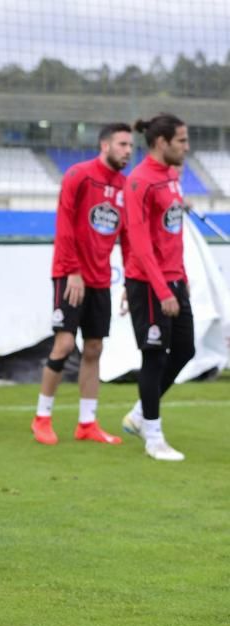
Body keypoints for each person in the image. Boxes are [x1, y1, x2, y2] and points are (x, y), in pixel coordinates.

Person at [31, 123, 133, 446]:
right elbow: (64, 223)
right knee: (63, 345)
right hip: (69, 275)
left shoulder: (125, 186)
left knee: (94, 348)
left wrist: (130, 278)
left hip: (101, 279)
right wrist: (73, 270)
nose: (128, 151)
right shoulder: (79, 175)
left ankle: (87, 423)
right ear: (104, 145)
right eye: (122, 144)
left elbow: (129, 238)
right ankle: (42, 418)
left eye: (131, 145)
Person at [119, 113, 194, 462]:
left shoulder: (173, 176)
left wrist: (180, 278)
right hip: (149, 284)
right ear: (162, 142)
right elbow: (139, 242)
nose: (186, 147)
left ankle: (138, 415)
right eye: (181, 140)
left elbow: (169, 232)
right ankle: (154, 437)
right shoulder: (138, 181)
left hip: (175, 278)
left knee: (185, 350)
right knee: (153, 356)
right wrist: (162, 289)